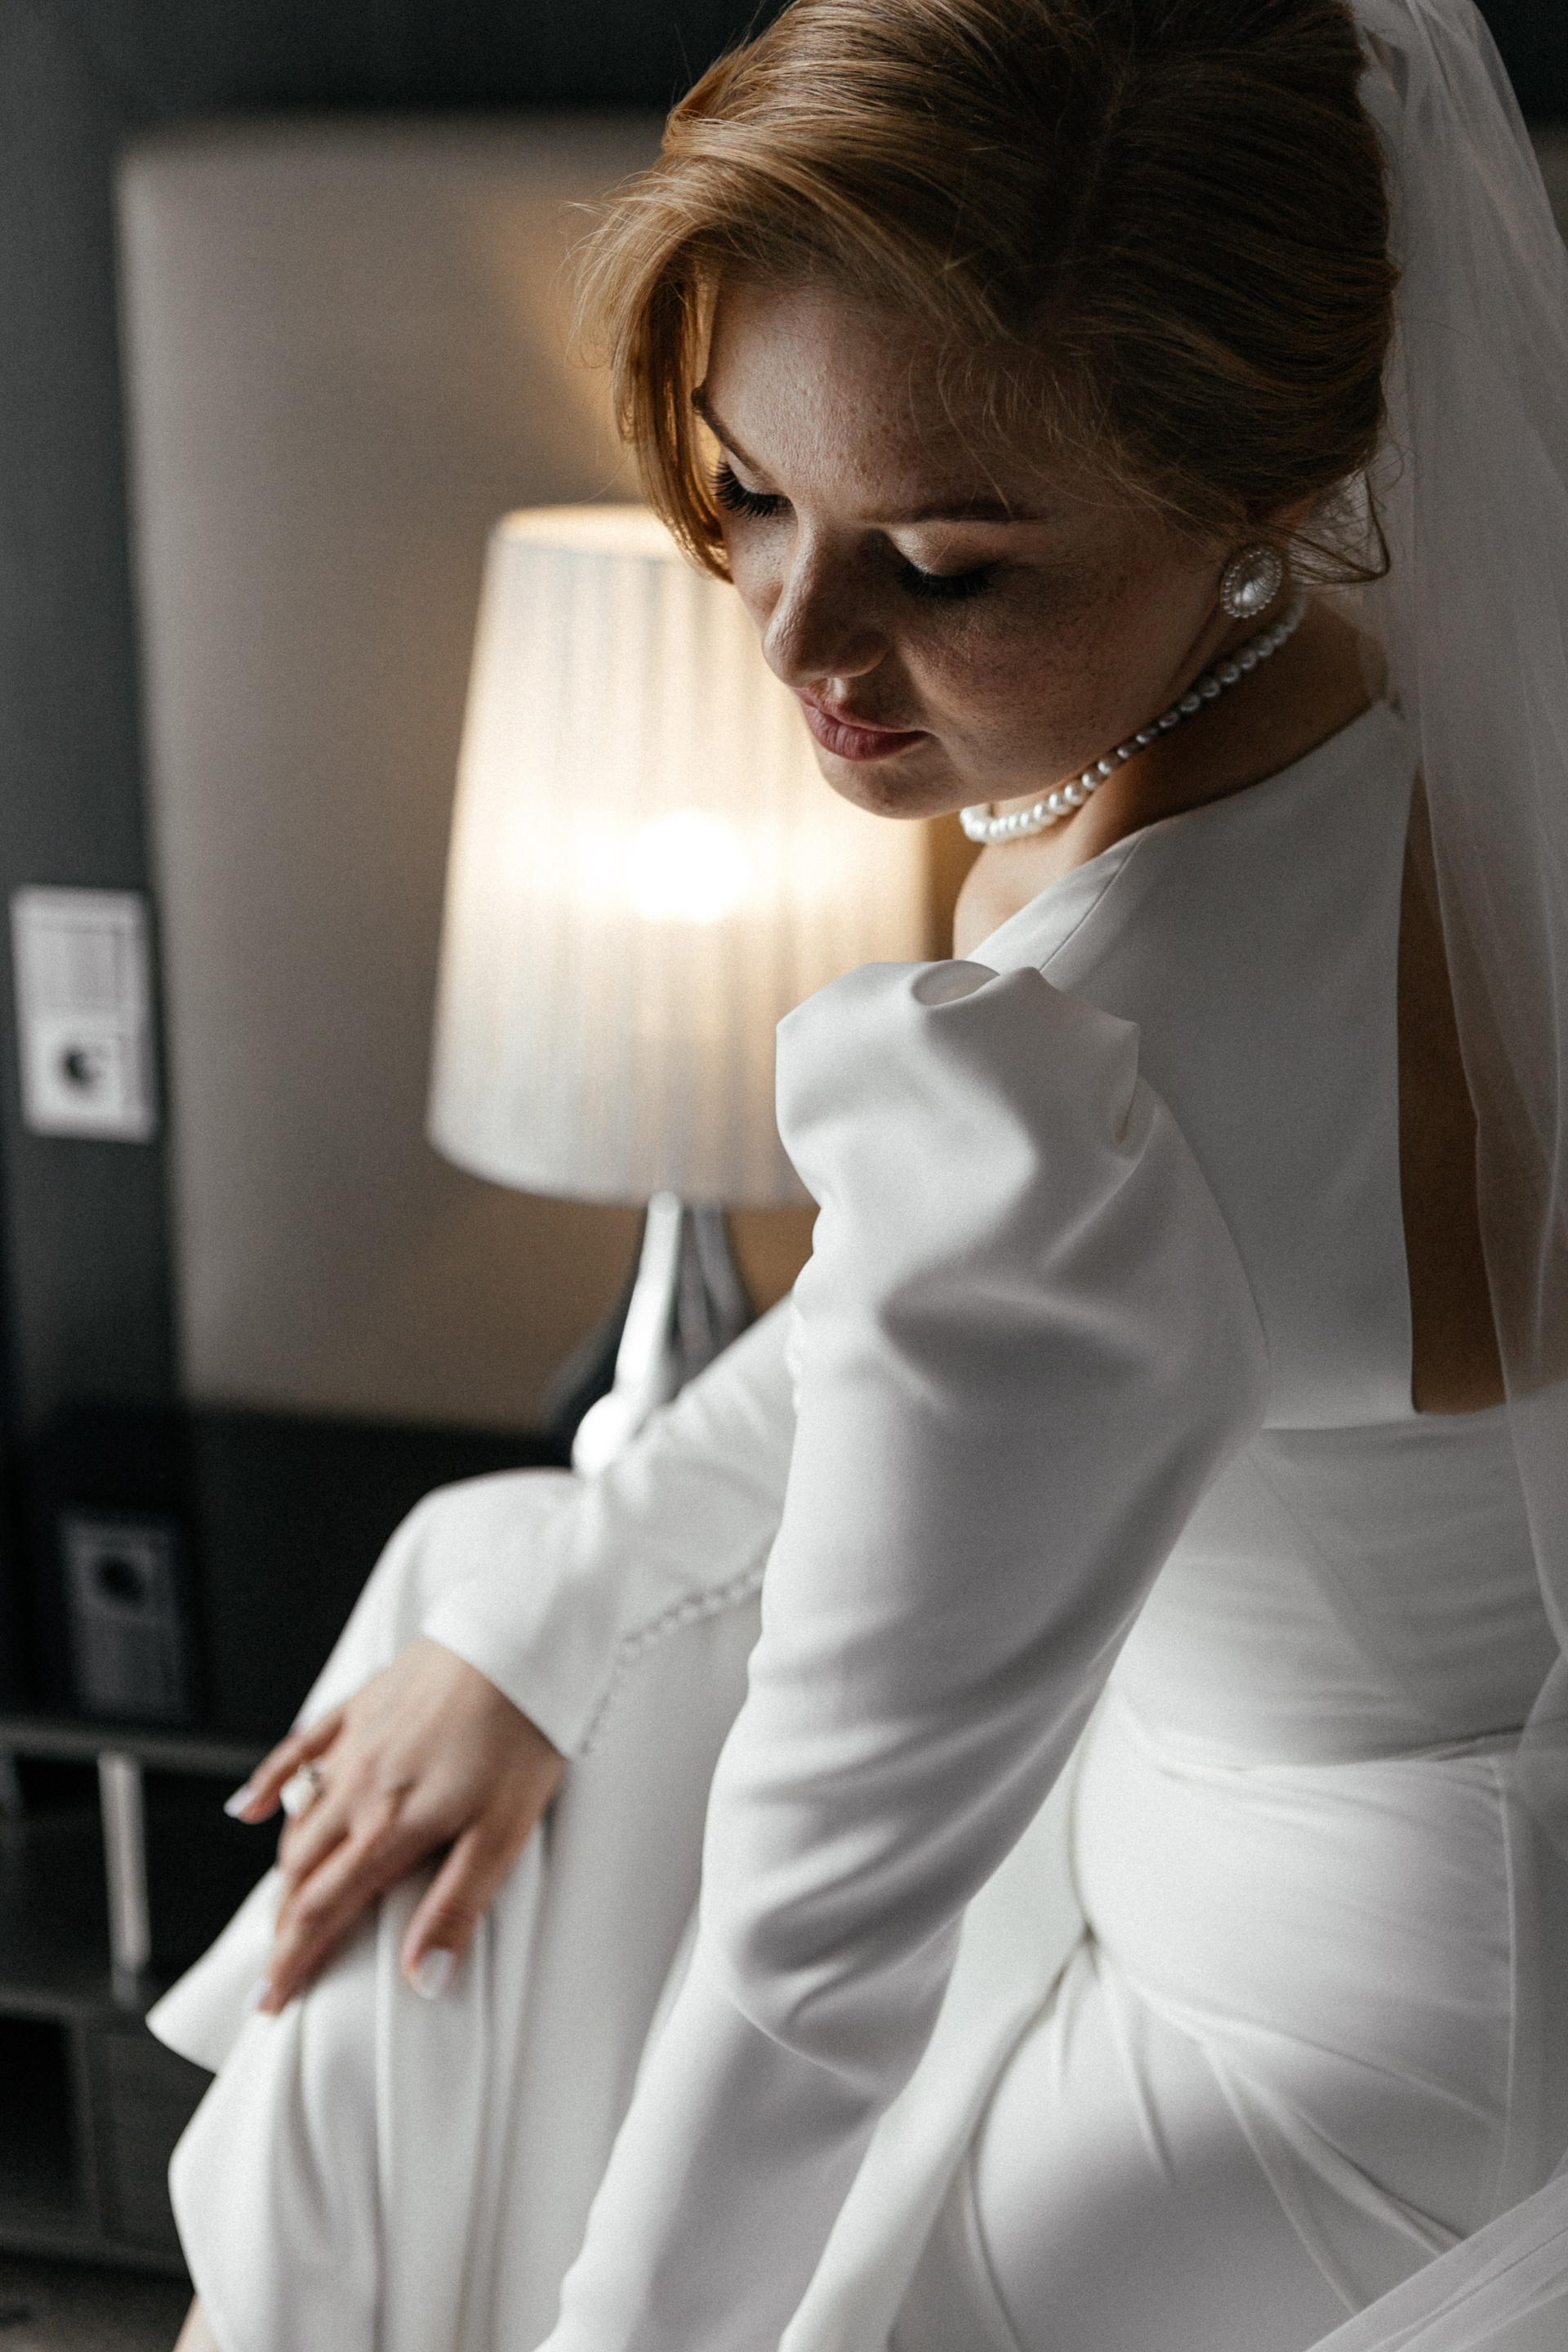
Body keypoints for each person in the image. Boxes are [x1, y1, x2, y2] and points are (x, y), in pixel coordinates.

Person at [151, 2, 1568, 2347]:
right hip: (1468, 1903)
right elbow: (914, 1341)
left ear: (1260, 486)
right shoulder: (1441, 710)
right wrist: (556, 1616)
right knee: (488, 1570)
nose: (801, 638)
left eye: (947, 564)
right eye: (747, 495)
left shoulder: (1075, 1067)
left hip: (1321, 2078)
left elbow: (814, 1962)